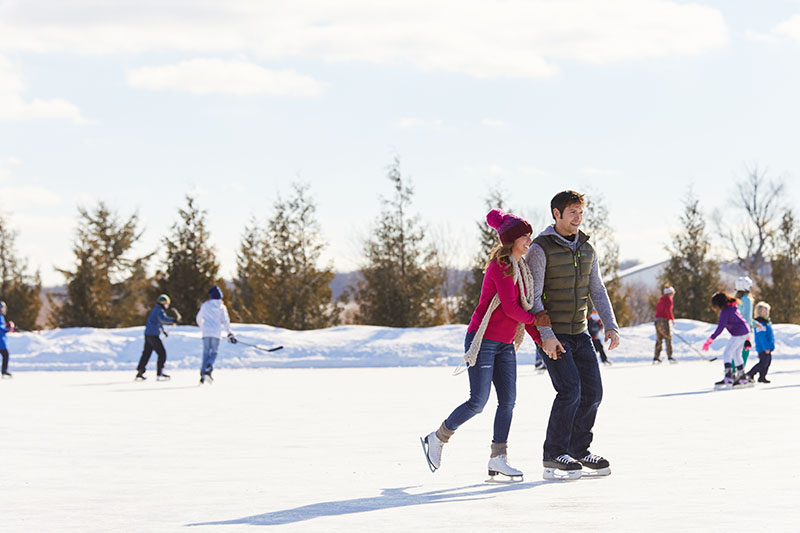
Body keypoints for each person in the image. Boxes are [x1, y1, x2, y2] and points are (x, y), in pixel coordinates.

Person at [421, 208, 550, 482]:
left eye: (529, 236)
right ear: (511, 240)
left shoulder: (523, 270)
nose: (529, 241)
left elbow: (523, 311)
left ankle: (498, 458)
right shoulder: (501, 266)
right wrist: (536, 318)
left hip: (505, 344)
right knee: (478, 401)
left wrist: (541, 339)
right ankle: (437, 437)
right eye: (525, 237)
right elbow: (512, 308)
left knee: (508, 402)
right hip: (483, 340)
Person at [526, 190, 620, 480]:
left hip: (580, 333)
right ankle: (554, 453)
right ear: (556, 213)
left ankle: (579, 449)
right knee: (570, 391)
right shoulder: (541, 249)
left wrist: (611, 324)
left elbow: (598, 289)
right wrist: (546, 335)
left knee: (593, 393)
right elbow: (533, 296)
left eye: (580, 212)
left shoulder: (587, 248)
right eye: (572, 213)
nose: (578, 218)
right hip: (555, 334)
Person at [703, 292, 750, 388]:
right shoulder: (733, 308)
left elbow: (720, 327)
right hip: (744, 332)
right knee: (736, 354)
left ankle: (729, 377)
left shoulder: (725, 311)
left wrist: (710, 340)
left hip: (738, 334)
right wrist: (747, 339)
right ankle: (742, 377)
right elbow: (742, 321)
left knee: (727, 353)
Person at [196, 285, 236, 384]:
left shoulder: (205, 305)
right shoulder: (221, 307)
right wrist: (229, 333)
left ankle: (203, 374)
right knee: (214, 352)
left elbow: (198, 318)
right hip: (216, 332)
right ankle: (209, 366)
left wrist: (203, 327)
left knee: (205, 353)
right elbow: (225, 321)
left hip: (206, 333)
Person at [136, 294, 180, 381]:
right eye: (167, 304)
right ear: (163, 303)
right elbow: (162, 319)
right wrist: (173, 320)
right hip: (153, 335)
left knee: (147, 353)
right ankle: (160, 373)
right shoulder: (159, 310)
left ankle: (140, 372)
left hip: (148, 334)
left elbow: (157, 322)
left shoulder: (156, 309)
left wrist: (163, 331)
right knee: (162, 353)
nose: (167, 306)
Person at [746, 301, 774, 383]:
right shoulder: (759, 324)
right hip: (763, 348)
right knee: (763, 363)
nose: (766, 313)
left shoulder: (766, 323)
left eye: (767, 311)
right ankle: (750, 373)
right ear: (759, 312)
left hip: (768, 347)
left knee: (767, 362)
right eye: (764, 311)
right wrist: (766, 347)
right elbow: (762, 337)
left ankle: (762, 377)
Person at [734, 276, 755, 368]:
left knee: (736, 351)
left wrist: (755, 323)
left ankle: (733, 371)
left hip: (737, 329)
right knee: (744, 352)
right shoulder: (747, 300)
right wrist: (747, 335)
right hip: (743, 330)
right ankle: (738, 372)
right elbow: (746, 317)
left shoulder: (738, 299)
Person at [653, 286, 676, 364]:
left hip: (657, 321)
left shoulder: (661, 300)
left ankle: (656, 357)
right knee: (668, 338)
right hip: (663, 321)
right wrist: (672, 319)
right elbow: (668, 310)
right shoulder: (668, 300)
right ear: (670, 293)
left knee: (659, 339)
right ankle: (670, 356)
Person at [0, 301, 15, 378]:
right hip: (1, 342)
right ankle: (4, 371)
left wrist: (8, 326)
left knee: (5, 355)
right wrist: (9, 328)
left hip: (2, 340)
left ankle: (4, 371)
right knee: (6, 355)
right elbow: (1, 328)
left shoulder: (1, 317)